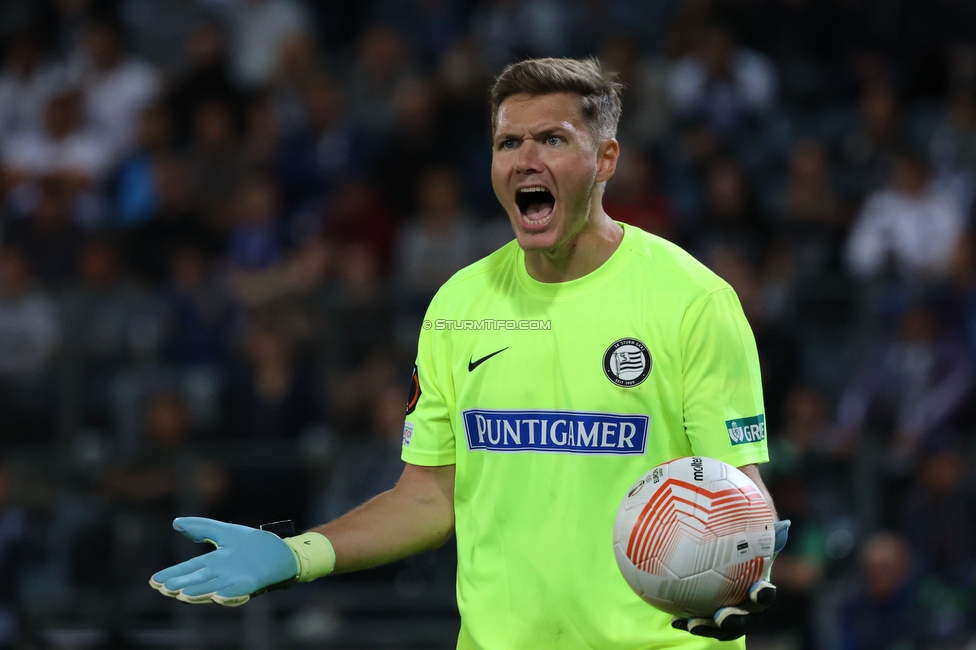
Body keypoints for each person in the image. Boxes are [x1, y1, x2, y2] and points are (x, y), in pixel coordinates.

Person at [150, 57, 788, 649]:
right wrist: (299, 555)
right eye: (509, 143)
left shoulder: (694, 302)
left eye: (553, 140)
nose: (525, 160)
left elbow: (735, 488)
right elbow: (428, 496)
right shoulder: (458, 305)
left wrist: (741, 552)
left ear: (606, 159)